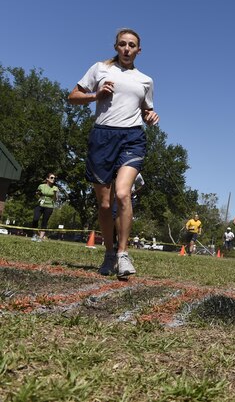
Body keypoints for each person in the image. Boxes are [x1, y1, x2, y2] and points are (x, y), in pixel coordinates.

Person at [68, 28, 159, 279]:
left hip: (132, 137)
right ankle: (109, 252)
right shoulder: (100, 69)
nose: (127, 49)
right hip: (102, 136)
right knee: (106, 204)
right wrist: (96, 95)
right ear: (116, 47)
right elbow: (72, 96)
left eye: (132, 45)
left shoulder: (146, 80)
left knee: (122, 193)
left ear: (139, 50)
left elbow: (146, 110)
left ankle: (123, 253)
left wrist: (150, 116)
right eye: (122, 44)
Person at [31, 173, 59, 242]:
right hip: (40, 205)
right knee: (35, 219)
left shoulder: (55, 188)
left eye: (54, 178)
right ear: (47, 179)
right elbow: (37, 195)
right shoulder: (41, 186)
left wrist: (55, 193)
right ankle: (34, 235)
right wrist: (37, 194)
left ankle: (40, 238)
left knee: (44, 222)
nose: (53, 179)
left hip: (49, 206)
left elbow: (55, 200)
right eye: (52, 178)